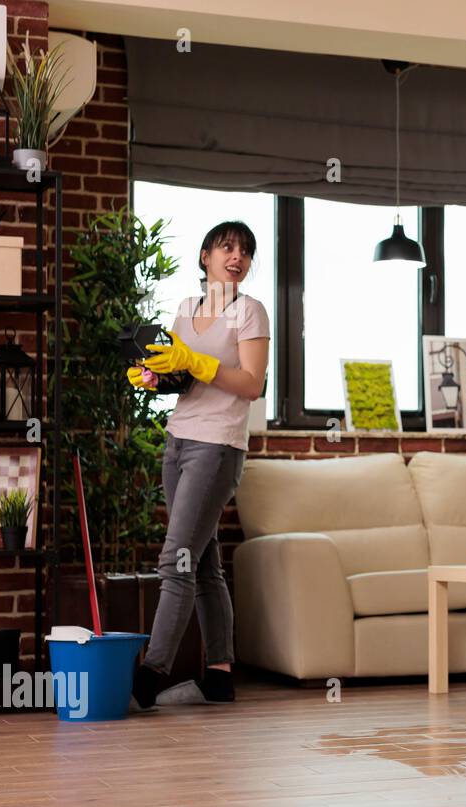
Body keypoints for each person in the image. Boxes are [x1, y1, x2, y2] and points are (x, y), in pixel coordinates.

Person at [129, 221, 271, 709]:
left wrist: (198, 363)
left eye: (246, 251)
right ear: (206, 255)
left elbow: (252, 385)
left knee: (176, 559)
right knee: (204, 560)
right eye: (227, 247)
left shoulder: (249, 312)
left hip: (217, 445)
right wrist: (155, 378)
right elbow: (180, 378)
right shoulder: (187, 309)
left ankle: (151, 673)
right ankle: (219, 674)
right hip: (178, 441)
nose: (237, 257)